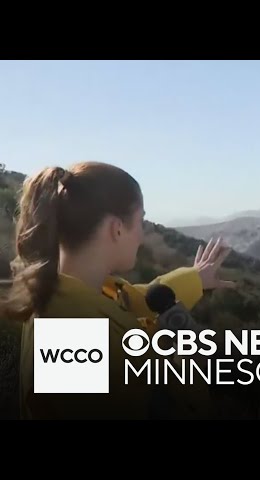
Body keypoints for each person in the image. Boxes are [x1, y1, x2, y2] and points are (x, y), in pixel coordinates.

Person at [0, 161, 236, 419]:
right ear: (117, 228)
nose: (141, 237)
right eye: (140, 222)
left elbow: (131, 300)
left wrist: (194, 279)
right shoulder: (70, 334)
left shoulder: (74, 291)